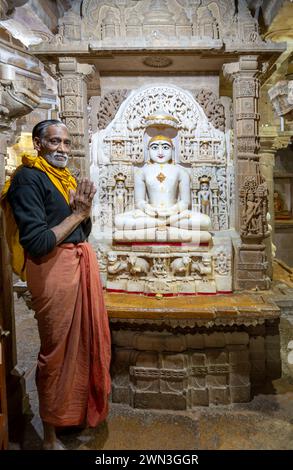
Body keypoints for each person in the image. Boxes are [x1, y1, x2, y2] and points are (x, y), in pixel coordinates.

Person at [0, 119, 111, 450]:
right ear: (38, 143)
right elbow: (37, 241)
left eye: (66, 142)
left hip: (78, 262)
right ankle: (49, 435)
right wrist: (77, 215)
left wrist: (84, 214)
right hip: (52, 270)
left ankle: (73, 417)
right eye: (55, 142)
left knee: (85, 345)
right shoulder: (28, 179)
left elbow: (81, 230)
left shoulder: (65, 179)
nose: (63, 148)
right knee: (57, 351)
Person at [114, 135, 211, 242]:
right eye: (154, 148)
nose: (160, 152)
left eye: (165, 147)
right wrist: (150, 210)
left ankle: (159, 224)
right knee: (118, 221)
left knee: (205, 221)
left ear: (172, 150)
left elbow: (185, 202)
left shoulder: (181, 172)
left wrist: (172, 210)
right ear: (148, 150)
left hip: (175, 214)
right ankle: (165, 223)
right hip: (151, 215)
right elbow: (139, 201)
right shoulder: (141, 172)